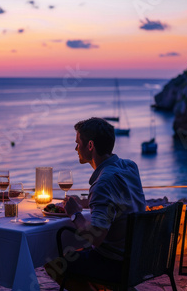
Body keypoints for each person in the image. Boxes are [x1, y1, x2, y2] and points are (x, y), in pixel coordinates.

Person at [45, 117, 146, 290]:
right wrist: (85, 202)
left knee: (52, 263)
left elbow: (96, 237)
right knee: (78, 254)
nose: (76, 148)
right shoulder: (129, 167)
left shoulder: (103, 182)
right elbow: (119, 200)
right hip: (139, 258)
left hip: (115, 263)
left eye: (78, 143)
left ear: (90, 146)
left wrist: (75, 214)